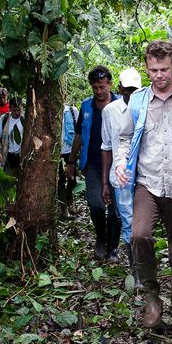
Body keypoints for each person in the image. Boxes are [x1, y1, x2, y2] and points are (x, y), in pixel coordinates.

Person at [114, 41, 172, 334]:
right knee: (139, 234)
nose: (158, 75)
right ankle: (152, 299)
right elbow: (125, 137)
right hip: (147, 182)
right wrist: (120, 162)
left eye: (164, 69)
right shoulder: (138, 101)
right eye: (153, 70)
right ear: (146, 68)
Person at [66, 67, 120, 260]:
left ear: (110, 85)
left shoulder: (121, 104)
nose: (98, 91)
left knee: (116, 208)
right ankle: (101, 239)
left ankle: (113, 247)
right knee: (96, 205)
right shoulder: (87, 106)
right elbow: (79, 135)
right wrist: (71, 161)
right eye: (95, 87)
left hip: (117, 164)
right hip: (93, 163)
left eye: (102, 87)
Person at [102, 69, 140, 266]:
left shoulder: (145, 107)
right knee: (128, 219)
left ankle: (142, 262)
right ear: (120, 88)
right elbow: (107, 147)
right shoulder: (110, 111)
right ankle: (135, 267)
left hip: (144, 175)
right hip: (121, 175)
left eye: (134, 90)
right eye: (127, 90)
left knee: (141, 223)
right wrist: (105, 183)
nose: (130, 94)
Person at [0, 97, 24, 173]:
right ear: (9, 108)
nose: (17, 113)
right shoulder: (4, 119)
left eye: (19, 110)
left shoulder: (25, 119)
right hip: (7, 155)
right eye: (14, 110)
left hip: (22, 155)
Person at [58, 102, 79, 206]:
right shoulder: (51, 113)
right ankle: (63, 208)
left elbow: (79, 130)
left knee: (72, 179)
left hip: (70, 151)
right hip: (57, 153)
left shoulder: (72, 111)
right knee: (60, 180)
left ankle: (69, 194)